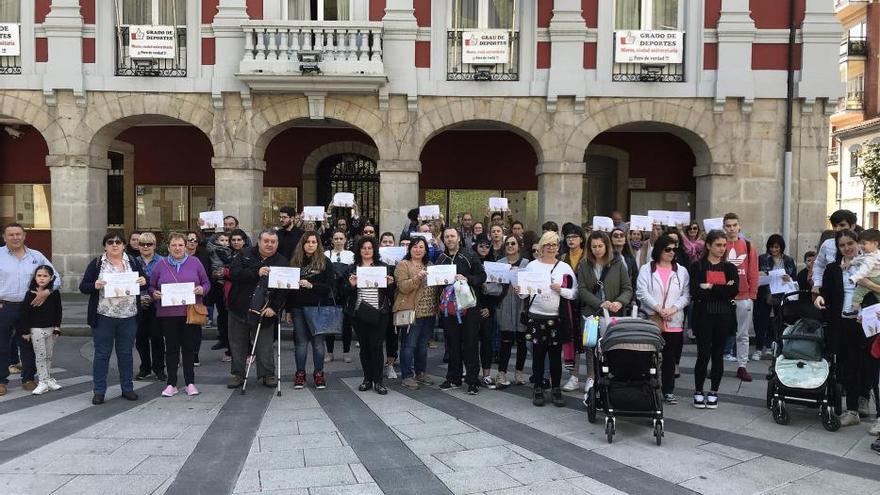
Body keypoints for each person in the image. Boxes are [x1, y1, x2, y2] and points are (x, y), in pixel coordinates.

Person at [815, 230, 880, 427]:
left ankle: (877, 414)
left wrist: (865, 282)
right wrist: (819, 297)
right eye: (842, 245)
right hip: (844, 322)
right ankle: (852, 411)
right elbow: (826, 292)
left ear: (858, 242)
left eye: (850, 243)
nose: (847, 248)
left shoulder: (871, 262)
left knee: (871, 367)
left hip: (868, 321)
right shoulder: (833, 268)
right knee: (849, 366)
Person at [80, 231, 146, 405]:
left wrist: (143, 280)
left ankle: (127, 388)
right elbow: (83, 287)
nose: (114, 245)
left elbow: (145, 278)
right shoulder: (96, 264)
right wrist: (94, 285)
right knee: (102, 354)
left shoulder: (132, 261)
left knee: (126, 354)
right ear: (105, 246)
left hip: (129, 316)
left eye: (118, 242)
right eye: (110, 242)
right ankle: (99, 391)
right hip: (104, 316)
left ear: (124, 245)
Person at [0, 223, 62, 396]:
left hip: (31, 307)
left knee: (28, 345)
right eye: (11, 234)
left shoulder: (37, 256)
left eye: (18, 234)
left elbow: (56, 277)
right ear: (4, 237)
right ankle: (1, 381)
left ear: (24, 235)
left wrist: (47, 292)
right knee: (2, 345)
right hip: (5, 306)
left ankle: (28, 378)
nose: (15, 237)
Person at [149, 233, 211, 397]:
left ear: (186, 247)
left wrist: (201, 290)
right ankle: (171, 384)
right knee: (171, 349)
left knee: (189, 349)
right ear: (168, 247)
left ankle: (190, 383)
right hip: (168, 314)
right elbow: (152, 285)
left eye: (180, 245)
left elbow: (206, 283)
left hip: (190, 313)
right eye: (174, 245)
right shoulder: (160, 264)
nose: (177, 248)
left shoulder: (195, 262)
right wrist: (154, 293)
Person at [520, 232, 578, 407]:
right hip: (537, 317)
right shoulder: (531, 266)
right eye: (548, 245)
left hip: (556, 318)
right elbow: (524, 293)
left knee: (554, 357)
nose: (552, 248)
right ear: (541, 247)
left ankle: (556, 389)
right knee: (537, 356)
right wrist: (520, 290)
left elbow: (575, 292)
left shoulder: (564, 267)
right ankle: (538, 387)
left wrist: (561, 290)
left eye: (554, 245)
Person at [225, 230, 288, 389]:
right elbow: (234, 273)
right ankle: (238, 374)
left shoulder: (282, 261)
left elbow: (284, 290)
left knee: (265, 345)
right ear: (259, 241)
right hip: (239, 307)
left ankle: (267, 374)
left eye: (273, 241)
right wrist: (256, 272)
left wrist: (274, 307)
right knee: (237, 343)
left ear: (277, 244)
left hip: (265, 311)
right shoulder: (244, 254)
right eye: (266, 241)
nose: (269, 244)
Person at [578, 231, 633, 396]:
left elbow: (627, 288)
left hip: (613, 315)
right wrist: (600, 303)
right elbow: (582, 289)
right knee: (591, 346)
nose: (597, 249)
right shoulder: (584, 264)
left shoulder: (617, 263)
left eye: (600, 246)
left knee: (612, 347)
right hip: (591, 314)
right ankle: (591, 377)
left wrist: (619, 302)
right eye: (593, 246)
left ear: (606, 245)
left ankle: (612, 377)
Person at [637, 234, 690, 405]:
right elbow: (641, 292)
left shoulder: (681, 271)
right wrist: (658, 308)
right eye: (668, 249)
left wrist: (673, 309)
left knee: (669, 358)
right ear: (659, 249)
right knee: (648, 355)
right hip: (653, 318)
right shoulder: (647, 269)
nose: (672, 252)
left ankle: (668, 390)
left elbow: (686, 294)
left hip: (674, 320)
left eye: (675, 249)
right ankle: (647, 387)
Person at [689, 230, 739, 409]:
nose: (722, 248)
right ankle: (698, 391)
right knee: (703, 355)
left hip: (724, 316)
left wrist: (710, 286)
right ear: (708, 245)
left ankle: (714, 391)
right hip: (703, 316)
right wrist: (721, 288)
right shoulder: (698, 266)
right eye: (718, 245)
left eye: (724, 245)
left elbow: (732, 291)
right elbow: (695, 291)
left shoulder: (730, 268)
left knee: (718, 355)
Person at [436, 227, 487, 395]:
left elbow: (482, 276)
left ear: (458, 238)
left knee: (471, 343)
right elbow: (437, 284)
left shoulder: (469, 255)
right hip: (449, 309)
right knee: (452, 344)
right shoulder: (441, 258)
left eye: (452, 236)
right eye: (446, 237)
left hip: (469, 307)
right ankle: (453, 378)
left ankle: (473, 381)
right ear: (443, 239)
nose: (450, 239)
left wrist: (468, 279)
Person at [342, 236, 394, 394]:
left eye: (369, 248)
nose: (366, 250)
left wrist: (391, 284)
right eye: (363, 248)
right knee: (364, 347)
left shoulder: (384, 267)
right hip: (359, 313)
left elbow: (391, 294)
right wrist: (351, 286)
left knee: (376, 346)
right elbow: (342, 293)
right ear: (359, 250)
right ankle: (367, 379)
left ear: (374, 250)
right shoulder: (351, 268)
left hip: (380, 312)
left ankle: (378, 381)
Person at [287, 232, 336, 390]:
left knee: (317, 344)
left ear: (318, 244)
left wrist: (311, 285)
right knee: (301, 343)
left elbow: (330, 288)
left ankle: (319, 374)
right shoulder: (295, 262)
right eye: (307, 242)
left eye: (314, 242)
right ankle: (300, 374)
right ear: (302, 244)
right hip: (298, 308)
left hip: (318, 308)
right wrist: (288, 310)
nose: (310, 244)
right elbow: (289, 289)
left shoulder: (325, 262)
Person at [395, 237, 437, 389]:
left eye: (421, 247)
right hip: (412, 311)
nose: (418, 250)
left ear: (426, 250)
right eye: (415, 247)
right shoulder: (403, 265)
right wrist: (416, 278)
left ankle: (420, 373)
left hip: (429, 311)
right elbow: (403, 287)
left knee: (422, 345)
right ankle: (407, 375)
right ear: (409, 249)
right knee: (409, 345)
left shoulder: (431, 265)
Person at [721, 213, 759, 382]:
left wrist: (752, 295)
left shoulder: (748, 246)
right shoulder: (720, 245)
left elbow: (753, 272)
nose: (731, 228)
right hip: (723, 297)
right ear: (724, 227)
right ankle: (717, 365)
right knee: (719, 333)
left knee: (742, 334)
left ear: (739, 226)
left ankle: (742, 366)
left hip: (744, 296)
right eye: (728, 225)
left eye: (734, 225)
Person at [18, 265, 62, 395]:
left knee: (49, 355)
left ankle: (48, 379)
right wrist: (25, 331)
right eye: (39, 275)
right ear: (35, 277)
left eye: (45, 276)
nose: (42, 278)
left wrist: (57, 327)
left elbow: (58, 310)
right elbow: (24, 314)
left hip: (50, 329)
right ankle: (42, 381)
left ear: (51, 278)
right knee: (40, 356)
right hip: (36, 330)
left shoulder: (54, 293)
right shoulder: (30, 293)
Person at [494, 235, 529, 387]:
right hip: (505, 304)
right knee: (505, 340)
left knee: (522, 340)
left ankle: (519, 372)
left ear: (519, 246)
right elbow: (492, 285)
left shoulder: (527, 264)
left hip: (521, 304)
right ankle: (501, 373)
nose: (510, 246)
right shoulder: (499, 264)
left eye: (513, 243)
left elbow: (532, 285)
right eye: (507, 243)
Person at [754, 234, 797, 360]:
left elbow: (793, 277)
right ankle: (758, 348)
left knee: (777, 321)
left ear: (781, 248)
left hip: (780, 294)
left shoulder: (788, 260)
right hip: (764, 293)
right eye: (771, 247)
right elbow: (755, 274)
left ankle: (770, 345)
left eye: (777, 247)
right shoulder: (762, 258)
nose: (774, 250)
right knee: (760, 321)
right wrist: (762, 274)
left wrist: (788, 278)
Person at [135, 232, 166, 380]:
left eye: (149, 244)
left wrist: (153, 297)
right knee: (140, 338)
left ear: (155, 245)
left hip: (157, 304)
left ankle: (159, 369)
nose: (146, 247)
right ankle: (145, 367)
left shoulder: (163, 261)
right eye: (142, 244)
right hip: (138, 305)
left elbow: (166, 282)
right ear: (138, 246)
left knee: (157, 338)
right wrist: (140, 298)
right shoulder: (132, 262)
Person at [473, 235, 503, 388]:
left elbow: (499, 289)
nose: (484, 249)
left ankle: (486, 374)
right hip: (472, 307)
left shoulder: (494, 264)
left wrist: (489, 308)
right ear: (476, 247)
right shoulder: (471, 262)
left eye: (487, 246)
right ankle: (471, 372)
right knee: (470, 342)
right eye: (481, 246)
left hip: (487, 309)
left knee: (487, 342)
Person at [560, 226, 586, 392]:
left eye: (575, 237)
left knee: (590, 343)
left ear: (581, 239)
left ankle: (591, 377)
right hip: (568, 304)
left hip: (586, 304)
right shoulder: (563, 258)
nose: (571, 240)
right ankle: (574, 376)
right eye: (568, 237)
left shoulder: (588, 256)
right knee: (572, 340)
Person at [324, 229, 355, 363]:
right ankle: (329, 352)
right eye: (335, 238)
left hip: (346, 293)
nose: (338, 241)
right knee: (329, 324)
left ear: (345, 240)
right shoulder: (326, 254)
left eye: (341, 238)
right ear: (332, 240)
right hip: (331, 293)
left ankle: (346, 352)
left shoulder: (351, 255)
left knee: (346, 324)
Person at [812, 209, 858, 293]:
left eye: (842, 225)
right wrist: (817, 284)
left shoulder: (862, 245)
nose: (837, 229)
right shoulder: (828, 244)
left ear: (852, 226)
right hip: (833, 292)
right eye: (834, 225)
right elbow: (819, 265)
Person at [185, 231, 212, 367]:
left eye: (195, 240)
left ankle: (194, 354)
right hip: (177, 299)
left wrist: (202, 290)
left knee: (195, 327)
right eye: (189, 240)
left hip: (196, 298)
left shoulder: (203, 256)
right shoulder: (174, 257)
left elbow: (206, 278)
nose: (192, 242)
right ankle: (181, 355)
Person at [207, 231, 234, 361]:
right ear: (217, 241)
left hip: (225, 282)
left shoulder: (215, 249)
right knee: (223, 314)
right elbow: (227, 261)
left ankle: (227, 342)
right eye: (222, 240)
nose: (225, 243)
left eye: (226, 241)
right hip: (220, 282)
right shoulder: (222, 251)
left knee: (225, 315)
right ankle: (224, 339)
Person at [850, 228, 880, 311]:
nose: (861, 246)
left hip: (872, 278)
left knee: (858, 293)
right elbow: (860, 259)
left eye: (864, 243)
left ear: (875, 244)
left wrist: (854, 278)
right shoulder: (869, 254)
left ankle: (854, 310)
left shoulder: (871, 257)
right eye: (859, 243)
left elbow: (864, 269)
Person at [611, 227, 638, 295]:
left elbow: (635, 279)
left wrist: (633, 298)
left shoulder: (630, 259)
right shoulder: (606, 258)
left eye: (622, 235)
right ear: (611, 239)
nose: (619, 237)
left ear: (625, 240)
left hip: (626, 296)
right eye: (615, 236)